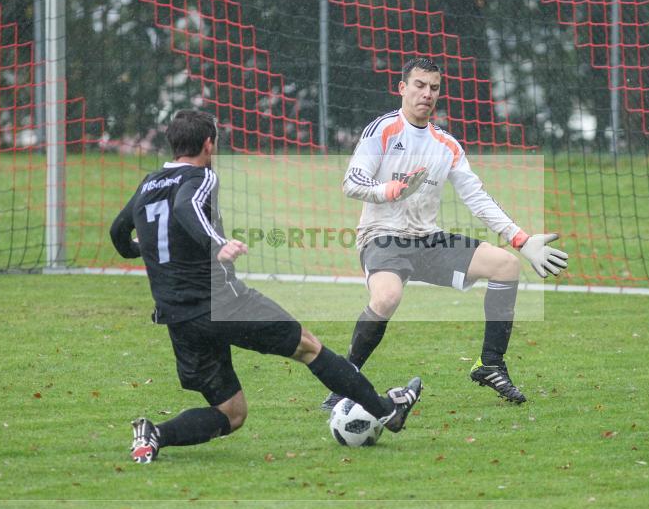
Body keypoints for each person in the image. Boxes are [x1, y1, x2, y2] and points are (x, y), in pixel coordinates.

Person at [110, 109, 421, 464]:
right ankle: (386, 411)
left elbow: (118, 233)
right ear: (209, 144)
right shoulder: (202, 177)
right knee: (308, 347)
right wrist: (217, 243)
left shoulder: (148, 184)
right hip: (222, 303)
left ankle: (154, 435)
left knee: (232, 413)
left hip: (178, 318)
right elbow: (186, 205)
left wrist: (141, 250)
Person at [322, 58, 568, 409]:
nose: (427, 94)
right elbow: (352, 181)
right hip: (383, 237)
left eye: (434, 88)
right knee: (387, 298)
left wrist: (521, 239)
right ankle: (344, 382)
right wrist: (386, 190)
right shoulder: (383, 129)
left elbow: (477, 197)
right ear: (402, 88)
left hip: (426, 239)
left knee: (505, 266)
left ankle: (490, 364)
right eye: (419, 85)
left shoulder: (446, 145)